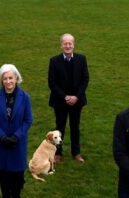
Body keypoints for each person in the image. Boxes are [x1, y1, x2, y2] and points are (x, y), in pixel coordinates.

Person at [0, 64, 33, 198]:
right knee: (3, 175)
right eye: (5, 78)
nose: (8, 81)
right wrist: (1, 136)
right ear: (1, 80)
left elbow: (28, 120)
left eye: (10, 78)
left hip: (17, 144)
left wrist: (16, 136)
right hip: (0, 143)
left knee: (17, 175)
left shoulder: (25, 97)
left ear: (16, 78)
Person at [48, 33, 90, 163]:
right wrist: (65, 97)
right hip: (60, 101)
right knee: (59, 128)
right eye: (65, 43)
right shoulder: (54, 61)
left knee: (75, 127)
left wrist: (77, 96)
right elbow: (52, 83)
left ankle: (76, 153)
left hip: (77, 101)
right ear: (61, 45)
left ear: (74, 45)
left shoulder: (81, 59)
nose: (67, 46)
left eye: (70, 43)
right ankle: (58, 153)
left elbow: (85, 79)